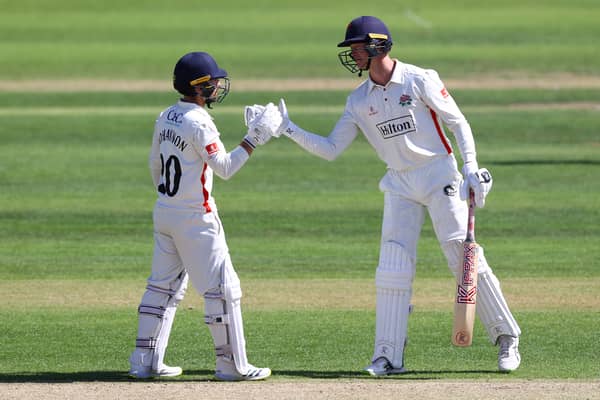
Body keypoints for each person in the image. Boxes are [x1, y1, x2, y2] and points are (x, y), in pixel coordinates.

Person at [251, 16, 521, 375]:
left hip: (439, 172)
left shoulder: (419, 79)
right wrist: (288, 128)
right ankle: (388, 356)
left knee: (460, 252)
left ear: (379, 45)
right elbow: (331, 148)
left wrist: (470, 167)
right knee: (392, 266)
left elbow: (457, 122)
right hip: (399, 182)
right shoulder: (358, 101)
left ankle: (506, 337)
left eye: (357, 47)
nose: (352, 54)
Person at [128, 51, 280, 381]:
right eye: (211, 82)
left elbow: (155, 166)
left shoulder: (166, 115)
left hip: (165, 211)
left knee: (162, 288)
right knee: (223, 290)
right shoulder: (199, 122)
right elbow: (225, 168)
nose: (216, 87)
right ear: (198, 87)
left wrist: (173, 200)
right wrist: (256, 137)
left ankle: (144, 362)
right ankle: (232, 366)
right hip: (196, 219)